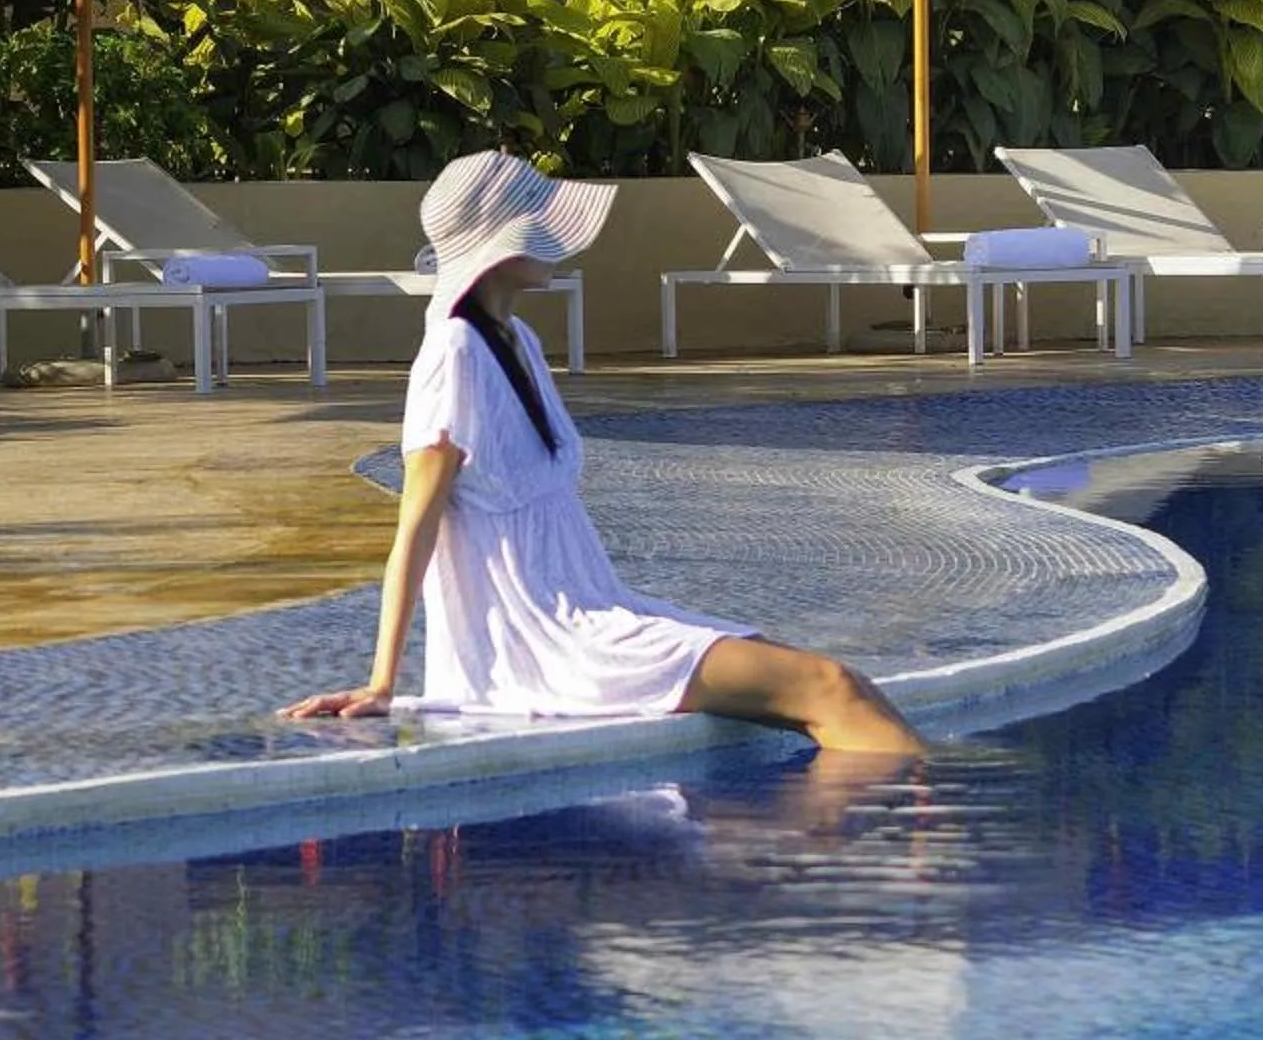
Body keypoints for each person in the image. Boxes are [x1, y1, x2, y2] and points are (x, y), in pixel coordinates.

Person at [284, 151, 926, 755]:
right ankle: (928, 851)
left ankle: (899, 844)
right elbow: (416, 528)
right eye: (535, 228)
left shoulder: (517, 341)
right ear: (496, 247)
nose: (555, 243)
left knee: (841, 690)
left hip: (593, 606)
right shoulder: (454, 353)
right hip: (549, 638)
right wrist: (382, 682)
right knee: (830, 688)